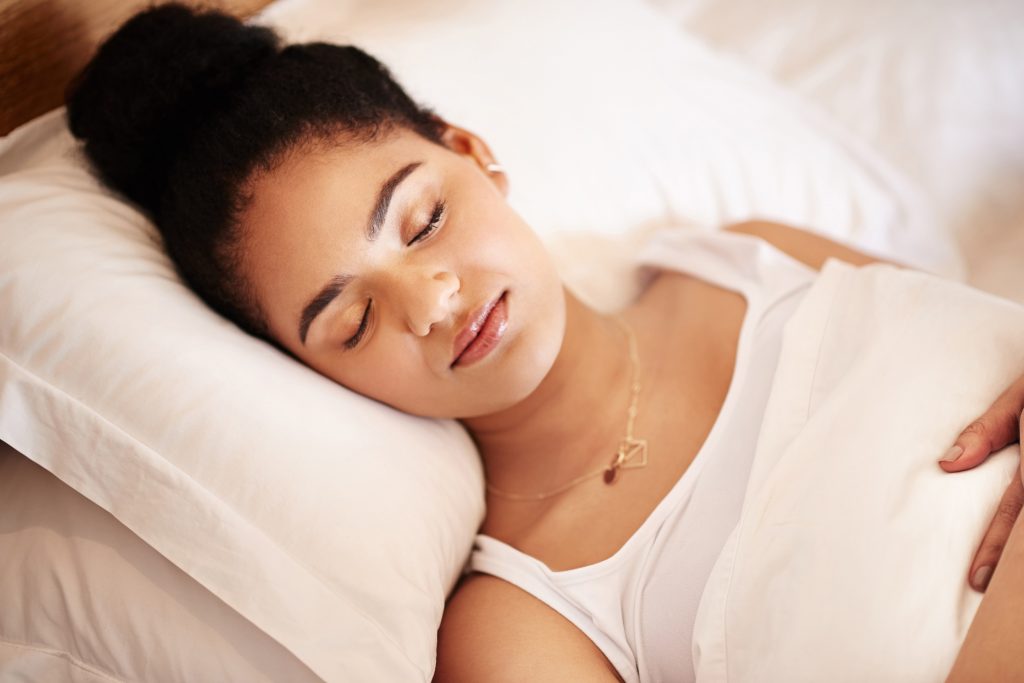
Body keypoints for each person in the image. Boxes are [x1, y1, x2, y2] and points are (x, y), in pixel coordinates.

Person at [65, 4, 1024, 681]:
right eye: (351, 322)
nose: (430, 302)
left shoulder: (752, 255)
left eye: (423, 219)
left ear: (473, 151)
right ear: (309, 373)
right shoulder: (519, 626)